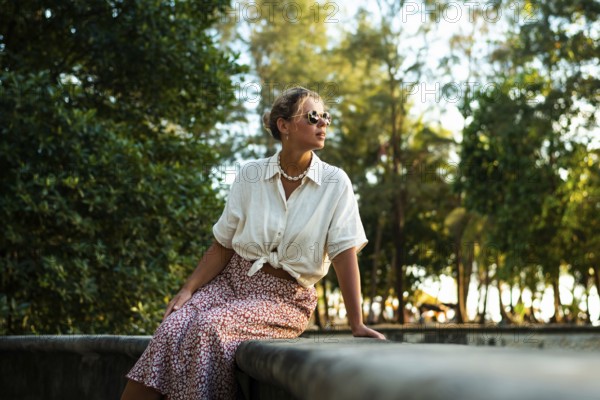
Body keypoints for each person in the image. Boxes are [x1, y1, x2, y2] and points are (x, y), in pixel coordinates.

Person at [121, 86, 385, 400]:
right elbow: (223, 245)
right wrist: (189, 289)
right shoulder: (250, 175)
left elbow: (343, 253)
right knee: (172, 328)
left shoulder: (335, 182)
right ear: (284, 125)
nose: (323, 123)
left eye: (325, 117)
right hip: (230, 282)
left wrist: (357, 322)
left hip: (285, 299)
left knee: (211, 328)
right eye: (313, 116)